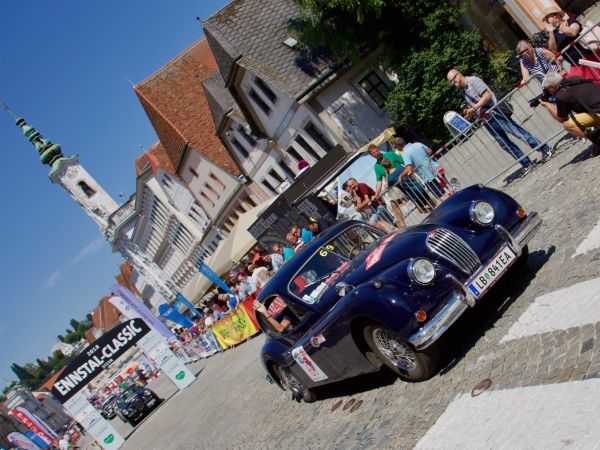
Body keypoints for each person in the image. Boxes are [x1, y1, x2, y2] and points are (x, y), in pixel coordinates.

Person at [447, 68, 552, 174]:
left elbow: (487, 96)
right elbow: (474, 105)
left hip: (496, 112)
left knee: (519, 133)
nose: (452, 82)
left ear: (459, 75)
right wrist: (469, 112)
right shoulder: (463, 91)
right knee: (505, 144)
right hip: (487, 119)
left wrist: (474, 108)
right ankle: (526, 163)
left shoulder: (473, 81)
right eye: (450, 81)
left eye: (453, 79)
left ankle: (545, 149)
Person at [540, 71, 600, 156]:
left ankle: (597, 139)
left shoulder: (560, 95)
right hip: (595, 109)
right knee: (583, 117)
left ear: (551, 88)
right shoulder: (575, 78)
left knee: (568, 125)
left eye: (547, 90)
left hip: (597, 113)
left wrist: (547, 105)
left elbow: (561, 119)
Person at [367, 144, 406, 227]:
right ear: (371, 155)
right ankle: (403, 226)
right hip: (395, 186)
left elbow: (403, 161)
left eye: (376, 151)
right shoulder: (376, 167)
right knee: (393, 203)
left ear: (378, 149)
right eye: (373, 153)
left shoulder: (390, 154)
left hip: (406, 180)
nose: (376, 153)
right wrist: (376, 194)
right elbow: (379, 181)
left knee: (420, 201)